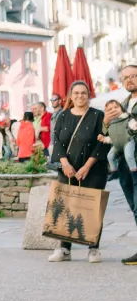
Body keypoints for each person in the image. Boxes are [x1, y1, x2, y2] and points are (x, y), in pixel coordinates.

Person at [48, 81, 108, 264]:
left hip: (93, 169)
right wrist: (65, 164)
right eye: (76, 93)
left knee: (92, 208)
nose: (80, 96)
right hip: (67, 170)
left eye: (83, 93)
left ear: (88, 95)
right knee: (65, 207)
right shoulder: (63, 116)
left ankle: (93, 249)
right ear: (70, 95)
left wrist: (87, 166)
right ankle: (65, 249)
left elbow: (103, 142)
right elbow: (57, 142)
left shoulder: (98, 116)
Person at [118, 65, 137, 265]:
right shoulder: (121, 105)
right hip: (125, 164)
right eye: (125, 78)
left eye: (133, 76)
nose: (129, 80)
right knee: (134, 207)